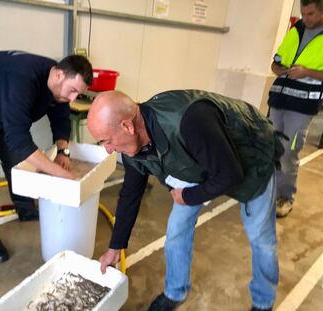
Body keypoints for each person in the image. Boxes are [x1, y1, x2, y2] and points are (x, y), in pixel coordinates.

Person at [87, 90, 284, 311]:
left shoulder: (191, 122)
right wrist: (116, 246)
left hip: (251, 157)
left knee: (261, 239)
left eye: (107, 140)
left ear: (127, 126)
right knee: (177, 229)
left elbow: (230, 174)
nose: (108, 149)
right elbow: (130, 194)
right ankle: (175, 292)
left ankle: (263, 301)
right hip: (196, 161)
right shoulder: (132, 147)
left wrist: (188, 196)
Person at [0, 51, 93, 262]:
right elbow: (19, 140)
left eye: (77, 94)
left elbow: (61, 119)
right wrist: (62, 175)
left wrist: (63, 151)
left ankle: (25, 209)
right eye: (72, 91)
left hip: (2, 107)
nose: (72, 99)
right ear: (58, 75)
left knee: (15, 161)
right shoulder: (22, 77)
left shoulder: (57, 86)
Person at [268, 0, 323, 217]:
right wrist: (278, 69)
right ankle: (270, 193)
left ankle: (285, 196)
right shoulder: (297, 29)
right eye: (303, 13)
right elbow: (276, 62)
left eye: (311, 14)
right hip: (279, 100)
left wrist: (307, 72)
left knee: (289, 151)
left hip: (303, 106)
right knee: (274, 147)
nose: (306, 18)